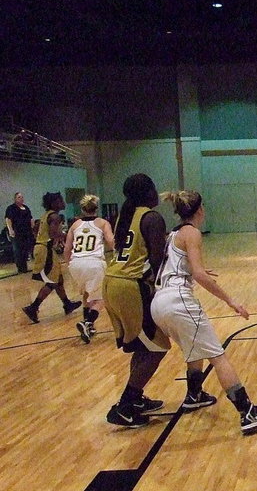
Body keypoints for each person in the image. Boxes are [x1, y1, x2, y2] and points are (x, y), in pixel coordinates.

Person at [151, 191, 257, 435]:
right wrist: (231, 301)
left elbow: (175, 266)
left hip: (160, 301)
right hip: (178, 300)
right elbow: (197, 274)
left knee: (193, 348)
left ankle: (194, 395)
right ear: (199, 210)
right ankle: (247, 412)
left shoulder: (173, 235)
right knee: (218, 357)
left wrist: (193, 270)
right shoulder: (193, 233)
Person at [103, 174, 171, 428]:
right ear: (148, 191)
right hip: (130, 287)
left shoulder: (126, 215)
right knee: (157, 346)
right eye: (154, 188)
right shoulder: (152, 218)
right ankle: (124, 405)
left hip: (113, 281)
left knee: (143, 345)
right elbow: (156, 259)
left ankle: (136, 398)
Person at [22, 192, 81, 323]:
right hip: (45, 249)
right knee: (52, 281)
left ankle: (67, 304)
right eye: (61, 200)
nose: (63, 203)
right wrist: (69, 235)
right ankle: (33, 307)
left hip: (42, 247)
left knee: (58, 278)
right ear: (54, 203)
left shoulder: (46, 215)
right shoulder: (55, 216)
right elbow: (55, 233)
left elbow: (38, 230)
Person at [64, 194, 115, 343]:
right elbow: (111, 242)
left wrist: (69, 265)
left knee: (87, 294)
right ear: (96, 208)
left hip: (76, 264)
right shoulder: (102, 223)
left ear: (83, 209)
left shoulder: (75, 225)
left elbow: (67, 248)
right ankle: (88, 322)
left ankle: (89, 328)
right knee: (102, 298)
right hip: (94, 263)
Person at [5, 192, 35, 273]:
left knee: (25, 249)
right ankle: (20, 269)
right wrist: (10, 229)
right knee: (18, 250)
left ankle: (24, 267)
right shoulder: (11, 208)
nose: (21, 198)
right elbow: (8, 219)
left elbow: (30, 218)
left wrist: (33, 226)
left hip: (26, 232)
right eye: (19, 197)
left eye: (22, 197)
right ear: (15, 199)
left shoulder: (26, 208)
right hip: (16, 232)